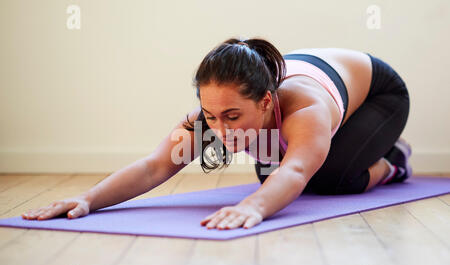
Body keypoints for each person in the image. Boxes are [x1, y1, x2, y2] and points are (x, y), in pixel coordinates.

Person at [22, 37, 411, 231]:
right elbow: (156, 166)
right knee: (268, 173)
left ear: (264, 101)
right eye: (211, 114)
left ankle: (393, 161)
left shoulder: (305, 109)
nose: (219, 128)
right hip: (320, 110)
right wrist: (87, 199)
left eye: (231, 115)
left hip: (379, 95)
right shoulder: (212, 115)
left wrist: (254, 207)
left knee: (328, 178)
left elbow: (294, 173)